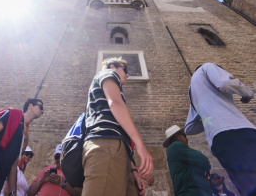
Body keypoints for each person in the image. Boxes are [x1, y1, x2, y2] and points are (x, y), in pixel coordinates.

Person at [82, 57, 153, 196]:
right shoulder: (108, 73)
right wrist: (139, 144)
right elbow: (115, 102)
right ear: (113, 66)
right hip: (107, 144)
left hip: (116, 152)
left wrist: (132, 170)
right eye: (125, 69)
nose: (127, 74)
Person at [185, 63, 255, 196]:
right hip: (239, 130)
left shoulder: (192, 91)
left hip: (218, 141)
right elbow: (224, 83)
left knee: (246, 185)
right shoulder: (207, 67)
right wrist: (248, 92)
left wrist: (210, 119)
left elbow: (189, 128)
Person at [0, 98, 44, 196]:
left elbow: (13, 163)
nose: (42, 111)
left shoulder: (25, 135)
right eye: (40, 107)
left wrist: (12, 191)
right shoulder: (12, 115)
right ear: (30, 106)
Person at [163, 125, 212, 196]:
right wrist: (206, 167)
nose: (187, 139)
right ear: (177, 136)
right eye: (184, 135)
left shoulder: (175, 150)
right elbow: (203, 159)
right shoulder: (176, 145)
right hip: (191, 191)